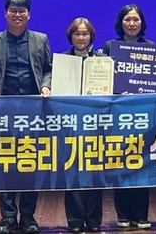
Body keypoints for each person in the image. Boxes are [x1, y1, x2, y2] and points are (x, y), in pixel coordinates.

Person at [0, 0, 52, 234]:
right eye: (13, 10)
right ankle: (8, 217)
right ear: (5, 13)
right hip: (3, 112)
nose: (17, 14)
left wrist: (46, 85)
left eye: (22, 10)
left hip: (34, 112)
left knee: (31, 164)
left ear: (29, 14)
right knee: (6, 164)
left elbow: (49, 69)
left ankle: (28, 217)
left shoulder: (41, 39)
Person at [102, 3, 153, 230]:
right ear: (120, 23)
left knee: (142, 163)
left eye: (136, 19)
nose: (132, 24)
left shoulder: (152, 48)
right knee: (120, 163)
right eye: (127, 19)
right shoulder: (110, 47)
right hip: (118, 115)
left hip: (143, 114)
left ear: (142, 23)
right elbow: (102, 80)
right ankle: (122, 214)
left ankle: (141, 215)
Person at [62, 17, 103, 233]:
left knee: (94, 171)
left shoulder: (102, 60)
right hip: (70, 124)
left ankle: (94, 220)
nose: (81, 37)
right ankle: (75, 220)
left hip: (96, 123)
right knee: (72, 171)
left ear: (91, 36)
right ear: (71, 36)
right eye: (77, 33)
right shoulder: (61, 61)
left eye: (85, 33)